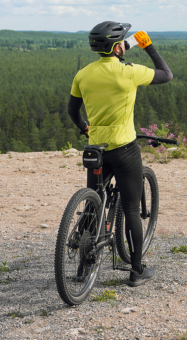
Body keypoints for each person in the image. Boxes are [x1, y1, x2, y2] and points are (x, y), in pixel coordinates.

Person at [66, 21, 172, 287]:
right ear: (116, 47)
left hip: (95, 149)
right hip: (124, 149)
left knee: (93, 207)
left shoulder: (83, 74)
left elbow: (72, 111)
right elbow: (166, 74)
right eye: (122, 41)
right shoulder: (129, 73)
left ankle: (82, 268)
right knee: (132, 210)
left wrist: (84, 128)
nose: (126, 44)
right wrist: (148, 47)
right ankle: (136, 271)